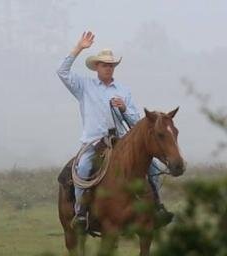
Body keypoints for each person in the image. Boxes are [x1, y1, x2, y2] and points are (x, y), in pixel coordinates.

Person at [57, 31, 173, 228]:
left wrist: (124, 108)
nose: (108, 68)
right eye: (104, 65)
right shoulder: (84, 86)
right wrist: (79, 48)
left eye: (111, 65)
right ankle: (81, 213)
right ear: (96, 67)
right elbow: (62, 72)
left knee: (152, 166)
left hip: (122, 141)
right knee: (83, 167)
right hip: (94, 142)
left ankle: (157, 207)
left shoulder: (123, 90)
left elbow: (137, 121)